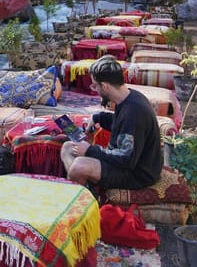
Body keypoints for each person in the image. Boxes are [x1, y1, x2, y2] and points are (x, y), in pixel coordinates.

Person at [61, 55, 162, 191]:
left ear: (104, 86)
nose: (95, 89)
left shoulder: (133, 113)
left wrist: (89, 150)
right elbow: (120, 122)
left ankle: (82, 195)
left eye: (95, 86)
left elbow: (126, 160)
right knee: (67, 148)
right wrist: (98, 118)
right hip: (124, 160)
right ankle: (85, 187)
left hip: (137, 173)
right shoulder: (128, 97)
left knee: (78, 166)